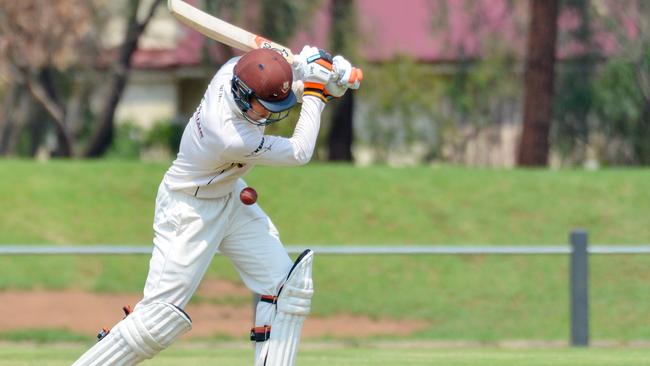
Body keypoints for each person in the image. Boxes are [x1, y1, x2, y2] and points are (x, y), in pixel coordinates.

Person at [72, 45, 362, 366]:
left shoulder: (235, 69)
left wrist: (315, 80)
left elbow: (271, 77)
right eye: (261, 107)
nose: (266, 114)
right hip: (188, 209)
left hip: (230, 196)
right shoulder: (229, 136)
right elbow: (299, 152)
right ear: (240, 96)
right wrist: (317, 92)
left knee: (287, 290)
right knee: (156, 322)